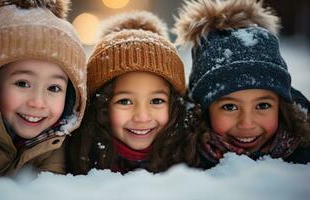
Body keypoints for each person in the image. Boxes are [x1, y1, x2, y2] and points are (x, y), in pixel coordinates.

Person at [0, 0, 87, 179]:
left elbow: (49, 189)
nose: (37, 102)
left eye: (54, 88)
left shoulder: (54, 137)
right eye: (22, 84)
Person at [173, 0, 310, 169]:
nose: (247, 124)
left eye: (263, 105)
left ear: (281, 105)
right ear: (203, 109)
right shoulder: (182, 160)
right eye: (230, 107)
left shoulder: (303, 156)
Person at [66, 11, 190, 175]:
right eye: (124, 101)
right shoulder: (75, 157)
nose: (142, 117)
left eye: (157, 101)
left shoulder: (190, 157)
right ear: (101, 105)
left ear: (174, 105)